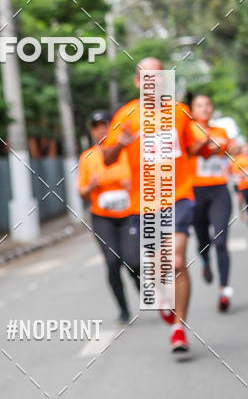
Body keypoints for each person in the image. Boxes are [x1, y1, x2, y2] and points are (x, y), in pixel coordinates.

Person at [103, 58, 203, 354]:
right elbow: (107, 159)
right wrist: (120, 144)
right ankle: (164, 298)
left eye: (158, 76)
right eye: (146, 76)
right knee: (158, 269)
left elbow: (194, 144)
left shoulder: (180, 112)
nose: (153, 81)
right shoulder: (127, 115)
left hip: (179, 195)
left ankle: (178, 329)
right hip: (144, 203)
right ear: (137, 82)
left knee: (176, 262)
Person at [77, 110, 139, 323]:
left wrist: (132, 185)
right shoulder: (88, 157)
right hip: (103, 217)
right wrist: (91, 186)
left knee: (134, 261)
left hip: (128, 214)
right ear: (92, 131)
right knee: (113, 261)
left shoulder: (125, 151)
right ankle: (123, 309)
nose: (101, 130)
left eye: (104, 125)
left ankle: (141, 286)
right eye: (96, 126)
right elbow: (81, 191)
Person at [190, 94, 236, 311]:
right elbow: (192, 151)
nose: (205, 108)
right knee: (203, 240)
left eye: (208, 104)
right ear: (193, 109)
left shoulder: (221, 132)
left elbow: (219, 150)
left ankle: (224, 290)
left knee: (221, 240)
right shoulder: (187, 131)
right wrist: (201, 143)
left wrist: (209, 144)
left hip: (219, 191)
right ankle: (205, 261)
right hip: (195, 192)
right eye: (200, 105)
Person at [231, 142, 248, 220]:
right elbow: (235, 172)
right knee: (241, 199)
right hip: (240, 183)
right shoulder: (239, 159)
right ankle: (241, 213)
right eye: (245, 148)